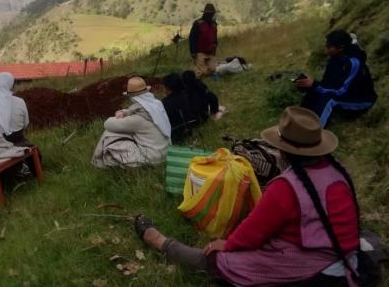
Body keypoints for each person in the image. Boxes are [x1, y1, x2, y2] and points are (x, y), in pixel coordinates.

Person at [135, 107, 360, 286]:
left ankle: (159, 241)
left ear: (282, 150)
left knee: (216, 260)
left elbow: (253, 232)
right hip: (346, 255)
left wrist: (227, 244)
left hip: (313, 268)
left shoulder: (286, 188)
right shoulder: (339, 170)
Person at [295, 30, 377, 127]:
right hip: (343, 94)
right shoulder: (334, 59)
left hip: (360, 101)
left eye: (329, 47)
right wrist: (309, 85)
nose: (326, 49)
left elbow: (341, 91)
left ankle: (314, 131)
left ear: (341, 47)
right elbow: (327, 83)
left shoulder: (354, 63)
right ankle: (298, 121)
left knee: (329, 100)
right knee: (314, 92)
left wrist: (314, 85)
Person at [91, 77, 171, 168]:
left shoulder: (137, 119)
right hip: (164, 152)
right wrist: (125, 112)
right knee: (124, 132)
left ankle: (100, 163)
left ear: (132, 97)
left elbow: (107, 124)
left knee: (109, 135)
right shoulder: (156, 105)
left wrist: (117, 116)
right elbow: (137, 109)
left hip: (152, 159)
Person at [162, 73, 197, 143]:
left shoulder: (164, 103)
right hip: (190, 128)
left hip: (175, 134)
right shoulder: (187, 95)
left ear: (167, 87)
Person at [189, 3, 218, 77]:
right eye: (209, 13)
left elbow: (215, 37)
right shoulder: (198, 23)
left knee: (213, 70)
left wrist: (215, 47)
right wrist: (193, 51)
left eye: (212, 13)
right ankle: (194, 75)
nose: (210, 15)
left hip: (210, 52)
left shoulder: (214, 24)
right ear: (205, 13)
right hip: (200, 52)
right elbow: (192, 38)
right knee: (204, 72)